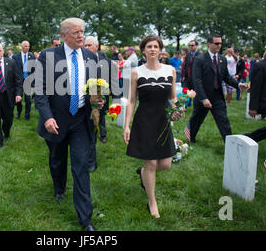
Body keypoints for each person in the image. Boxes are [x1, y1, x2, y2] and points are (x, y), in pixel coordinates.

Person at [35, 17, 102, 231]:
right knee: (57, 159)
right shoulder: (48, 56)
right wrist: (47, 117)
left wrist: (99, 99)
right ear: (64, 35)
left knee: (81, 166)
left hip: (81, 121)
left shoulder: (91, 56)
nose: (81, 36)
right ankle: (58, 187)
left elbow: (96, 87)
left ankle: (85, 219)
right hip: (56, 119)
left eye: (82, 32)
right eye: (76, 32)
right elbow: (40, 89)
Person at [123, 35, 183, 219]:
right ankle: (152, 202)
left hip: (162, 121)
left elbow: (172, 97)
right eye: (149, 46)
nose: (152, 49)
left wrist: (178, 109)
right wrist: (127, 126)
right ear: (143, 50)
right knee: (150, 162)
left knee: (165, 164)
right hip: (144, 120)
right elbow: (132, 101)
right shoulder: (137, 73)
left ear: (160, 49)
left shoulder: (170, 70)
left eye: (156, 46)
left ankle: (143, 174)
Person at [188, 35, 249, 143]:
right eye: (217, 43)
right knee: (196, 119)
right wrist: (203, 98)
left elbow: (226, 77)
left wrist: (239, 85)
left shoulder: (222, 59)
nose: (219, 46)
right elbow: (197, 80)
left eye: (220, 43)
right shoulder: (200, 59)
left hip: (217, 96)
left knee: (223, 120)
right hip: (203, 96)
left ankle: (230, 144)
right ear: (209, 44)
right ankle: (190, 138)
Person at [84, 36, 110, 172]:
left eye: (89, 45)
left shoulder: (104, 62)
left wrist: (102, 98)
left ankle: (91, 161)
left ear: (96, 46)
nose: (86, 48)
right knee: (88, 131)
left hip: (98, 99)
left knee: (94, 128)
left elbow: (108, 82)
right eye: (85, 45)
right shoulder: (82, 60)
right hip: (83, 100)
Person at [13, 40, 36, 120]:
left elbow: (34, 70)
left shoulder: (32, 56)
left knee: (28, 100)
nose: (27, 48)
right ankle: (19, 112)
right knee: (18, 99)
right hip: (18, 82)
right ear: (22, 47)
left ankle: (27, 115)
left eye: (28, 46)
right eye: (26, 46)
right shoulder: (15, 57)